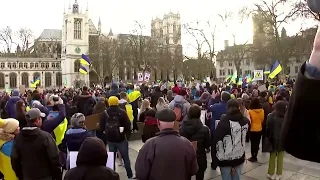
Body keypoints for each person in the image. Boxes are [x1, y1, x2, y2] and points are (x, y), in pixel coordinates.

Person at [135, 108, 198, 180]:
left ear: (158, 122)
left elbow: (141, 173)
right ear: (174, 122)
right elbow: (193, 170)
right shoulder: (187, 144)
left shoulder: (150, 145)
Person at [11, 108, 62, 180]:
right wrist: (57, 176)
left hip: (27, 176)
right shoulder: (45, 137)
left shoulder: (18, 138)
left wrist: (21, 176)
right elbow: (55, 158)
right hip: (45, 177)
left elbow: (14, 159)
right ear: (38, 120)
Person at [99, 96, 135, 179]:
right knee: (126, 158)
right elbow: (128, 125)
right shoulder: (122, 112)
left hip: (110, 139)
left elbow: (101, 127)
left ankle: (111, 176)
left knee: (111, 158)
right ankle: (129, 175)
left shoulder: (104, 113)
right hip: (121, 139)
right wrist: (125, 133)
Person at [214, 99, 250, 180]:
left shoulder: (223, 124)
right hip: (239, 156)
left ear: (227, 108)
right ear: (238, 108)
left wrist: (214, 160)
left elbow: (216, 141)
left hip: (225, 159)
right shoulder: (246, 121)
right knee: (237, 177)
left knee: (226, 177)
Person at [180, 104, 210, 180]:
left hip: (186, 157)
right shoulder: (205, 129)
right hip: (200, 157)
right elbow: (207, 145)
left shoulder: (182, 129)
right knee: (200, 176)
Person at [266, 101, 287, 180]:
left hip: (272, 139)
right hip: (282, 140)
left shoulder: (270, 116)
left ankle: (270, 173)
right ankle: (279, 174)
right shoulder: (286, 117)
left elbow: (267, 129)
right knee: (280, 157)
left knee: (272, 156)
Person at [248, 97, 264, 162]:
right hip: (259, 128)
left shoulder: (250, 111)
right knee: (257, 143)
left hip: (252, 129)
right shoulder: (262, 110)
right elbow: (262, 119)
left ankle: (253, 156)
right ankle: (256, 155)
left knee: (252, 143)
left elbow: (249, 121)